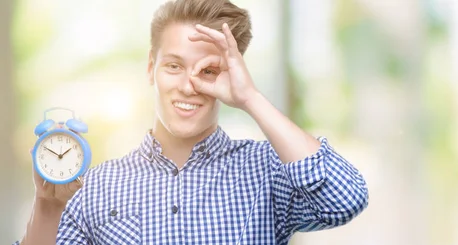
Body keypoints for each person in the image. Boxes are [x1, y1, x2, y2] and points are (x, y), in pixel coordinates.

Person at [15, 0, 369, 244]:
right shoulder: (95, 187)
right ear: (150, 67)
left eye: (209, 71)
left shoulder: (267, 170)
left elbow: (346, 198)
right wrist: (47, 205)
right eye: (174, 66)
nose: (189, 85)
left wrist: (250, 98)